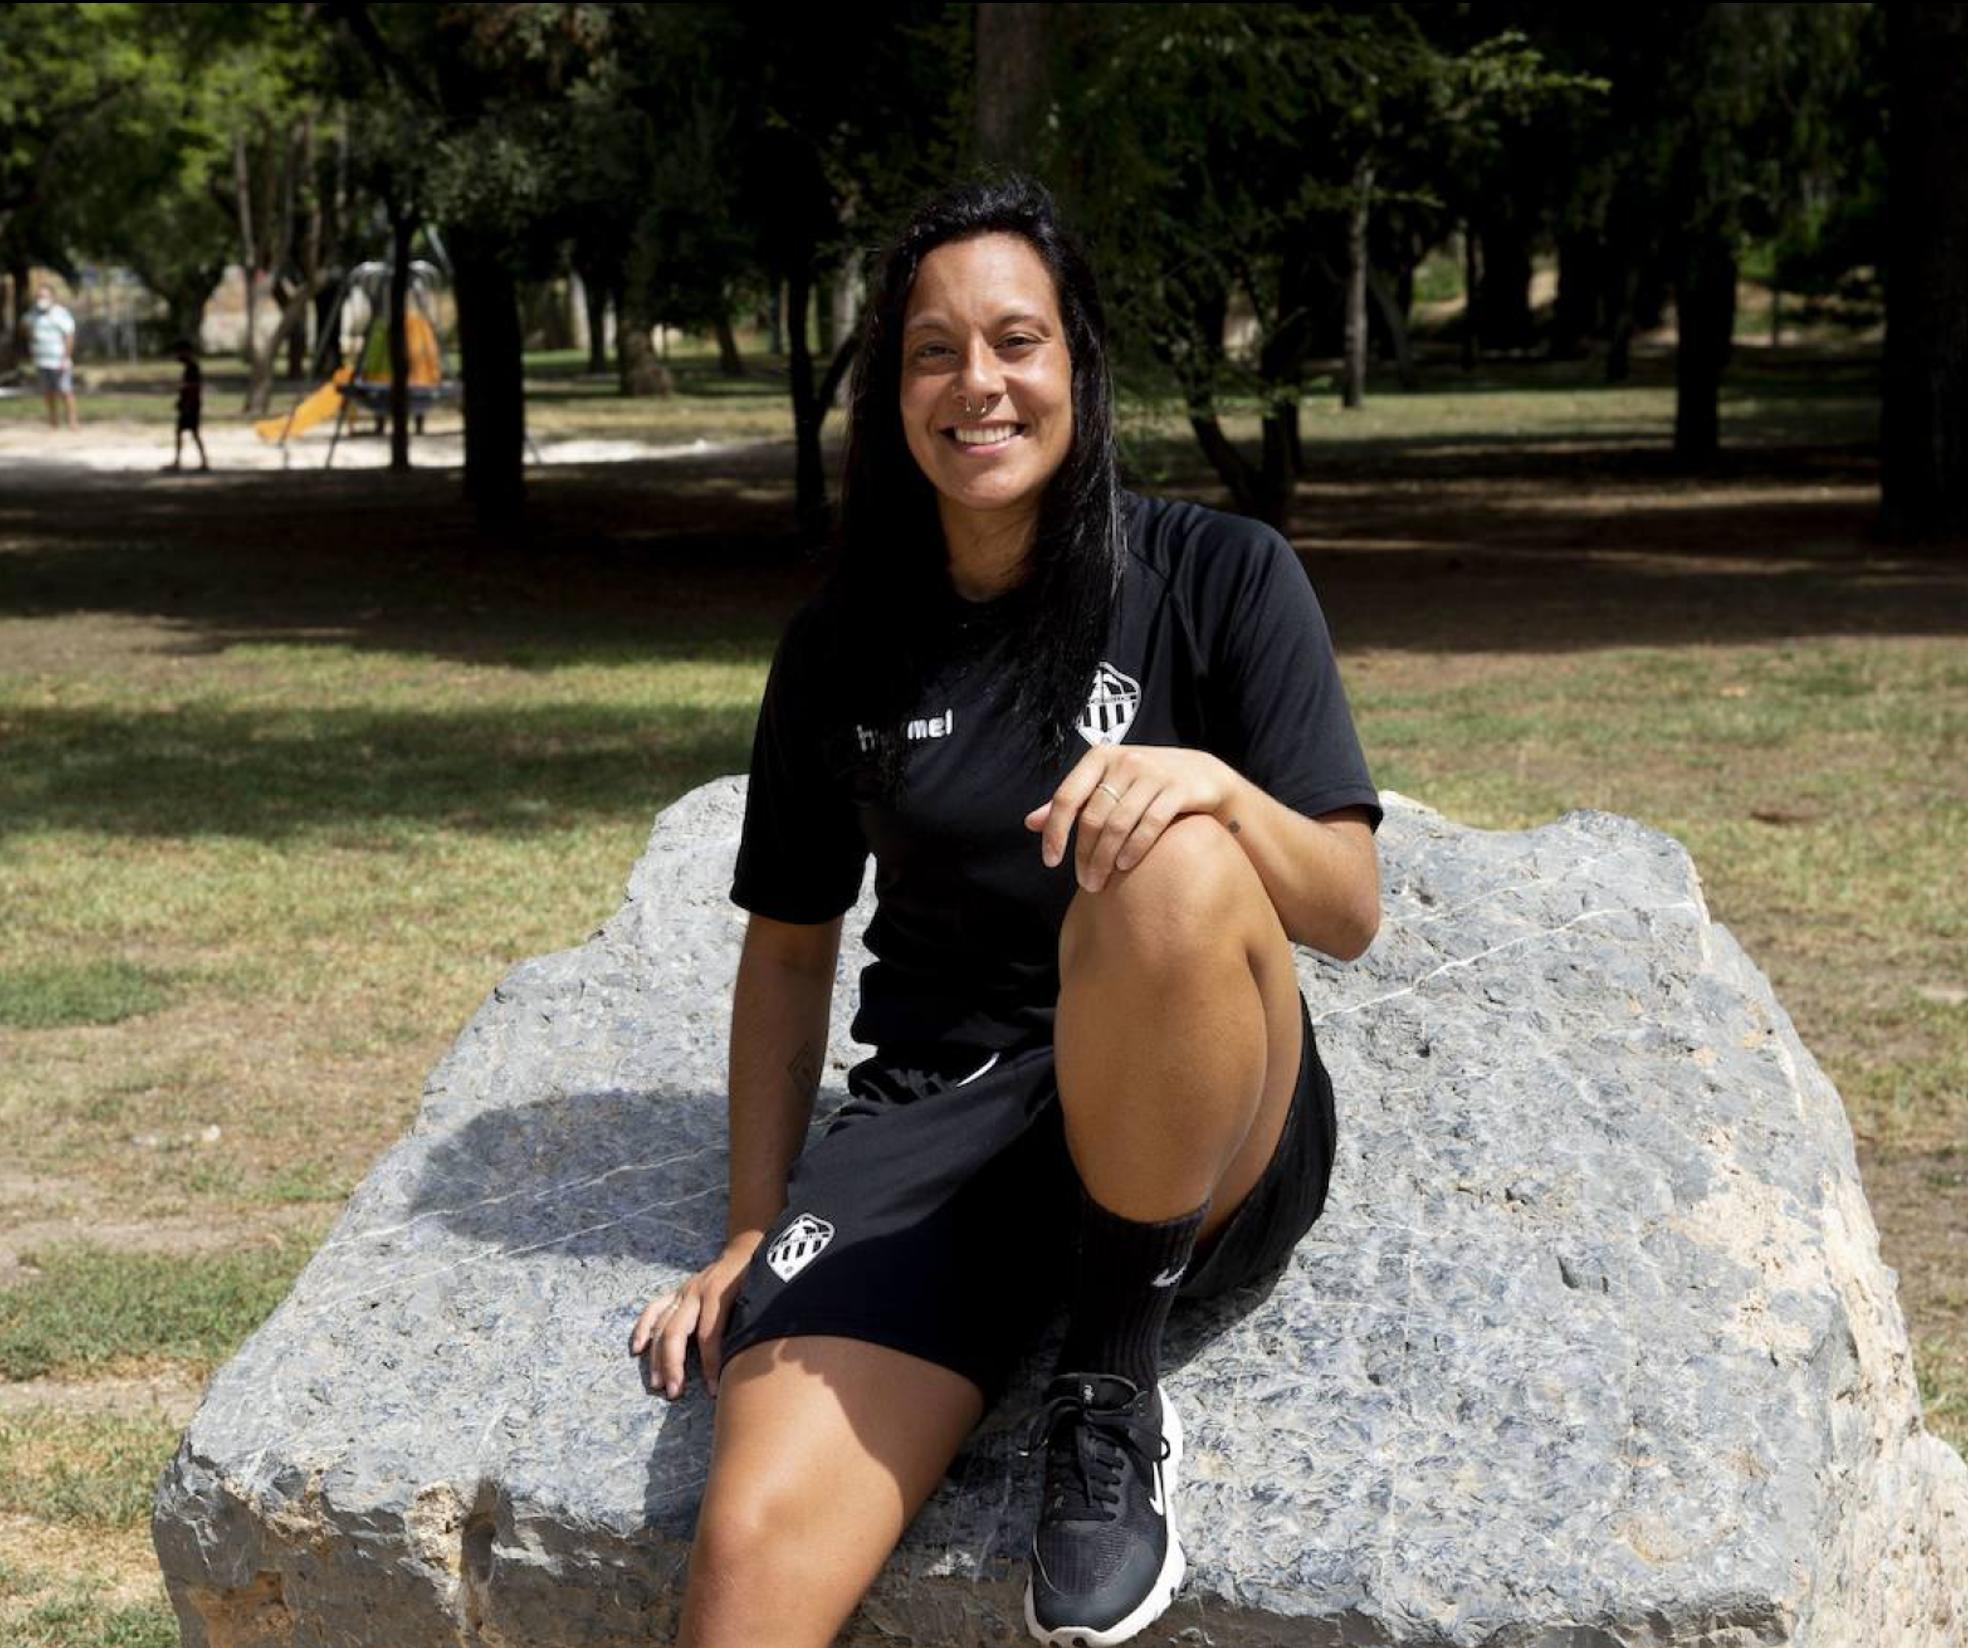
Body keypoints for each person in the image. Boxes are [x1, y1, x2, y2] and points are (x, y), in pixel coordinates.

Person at [630, 173, 1382, 1648]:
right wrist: (746, 1221)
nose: (977, 383)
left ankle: (1108, 1390)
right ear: (894, 390)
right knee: (752, 1553)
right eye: (931, 350)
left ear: (1079, 368)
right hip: (941, 1122)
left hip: (1195, 1112)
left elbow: (1346, 905)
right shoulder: (842, 645)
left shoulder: (1222, 574)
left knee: (1157, 849)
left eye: (1017, 341)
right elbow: (790, 951)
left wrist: (1213, 791)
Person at [26, 283, 78, 431]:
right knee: (48, 392)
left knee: (65, 391)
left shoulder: (60, 314)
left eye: (44, 296)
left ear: (53, 297)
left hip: (59, 360)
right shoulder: (34, 314)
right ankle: (53, 421)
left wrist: (65, 357)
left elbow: (69, 336)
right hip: (42, 360)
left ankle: (72, 421)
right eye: (39, 296)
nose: (41, 299)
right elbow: (26, 326)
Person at [166, 340, 209, 473]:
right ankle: (194, 461)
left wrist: (186, 403)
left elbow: (194, 387)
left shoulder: (192, 368)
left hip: (190, 406)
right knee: (185, 433)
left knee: (192, 433)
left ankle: (200, 462)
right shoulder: (190, 367)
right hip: (189, 405)